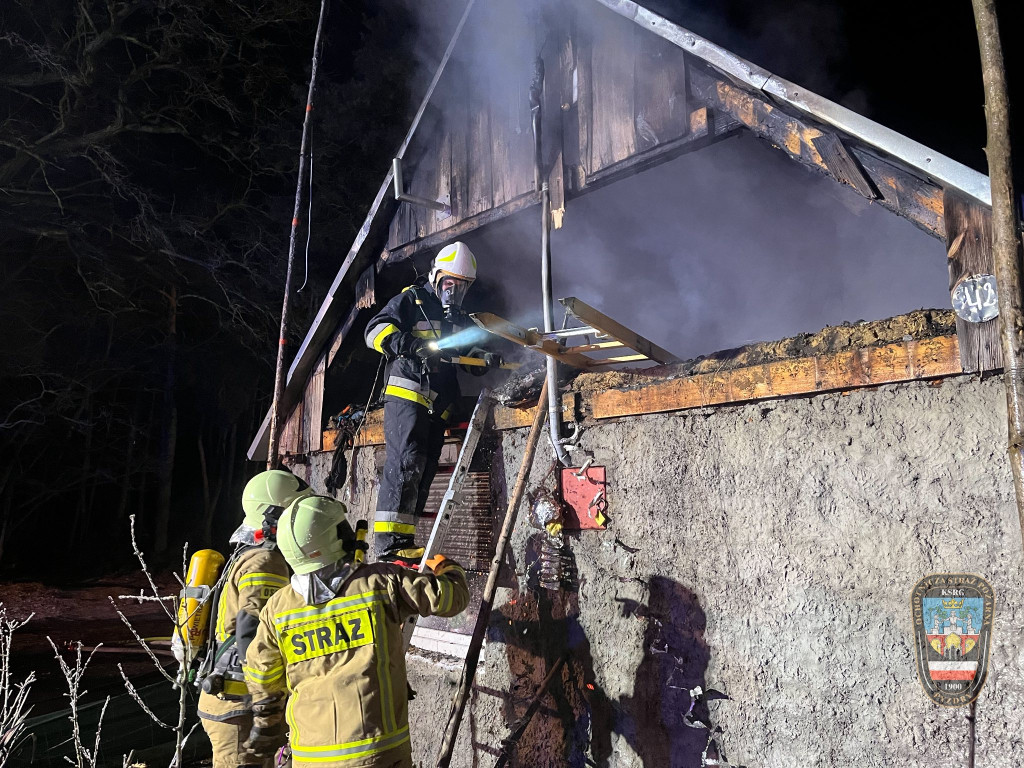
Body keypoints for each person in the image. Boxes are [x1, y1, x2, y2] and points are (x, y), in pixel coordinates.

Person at [242, 494, 469, 768]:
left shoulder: (277, 608)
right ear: (337, 536)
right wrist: (449, 568)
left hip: (310, 759)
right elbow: (450, 598)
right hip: (379, 753)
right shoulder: (380, 581)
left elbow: (262, 677)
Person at [363, 241, 492, 565]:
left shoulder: (457, 318)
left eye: (460, 287)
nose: (453, 292)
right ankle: (391, 545)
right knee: (406, 463)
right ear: (436, 277)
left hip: (437, 407)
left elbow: (462, 356)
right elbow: (373, 331)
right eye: (450, 283)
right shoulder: (412, 300)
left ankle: (405, 540)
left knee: (424, 470)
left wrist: (482, 358)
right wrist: (407, 344)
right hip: (408, 396)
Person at [193, 469, 312, 768]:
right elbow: (252, 633)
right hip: (240, 706)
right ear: (277, 516)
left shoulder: (249, 551)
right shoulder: (267, 560)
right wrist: (267, 708)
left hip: (232, 702)